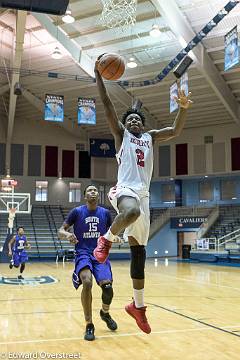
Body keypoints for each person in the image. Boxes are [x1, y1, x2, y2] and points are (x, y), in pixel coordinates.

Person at [93, 60, 192, 334]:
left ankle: (137, 306)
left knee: (139, 255)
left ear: (143, 123)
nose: (133, 121)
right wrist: (98, 77)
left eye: (137, 119)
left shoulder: (150, 137)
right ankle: (106, 240)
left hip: (144, 195)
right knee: (131, 212)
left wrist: (182, 109)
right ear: (125, 125)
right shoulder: (121, 136)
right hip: (124, 190)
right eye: (130, 119)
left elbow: (175, 131)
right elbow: (107, 106)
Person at [58, 185, 118, 341]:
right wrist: (67, 234)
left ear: (98, 195)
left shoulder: (105, 213)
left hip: (100, 254)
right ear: (85, 196)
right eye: (90, 190)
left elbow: (112, 232)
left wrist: (115, 237)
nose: (93, 192)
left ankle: (105, 313)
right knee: (87, 282)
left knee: (108, 288)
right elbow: (60, 231)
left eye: (95, 190)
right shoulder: (77, 212)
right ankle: (89, 324)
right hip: (83, 253)